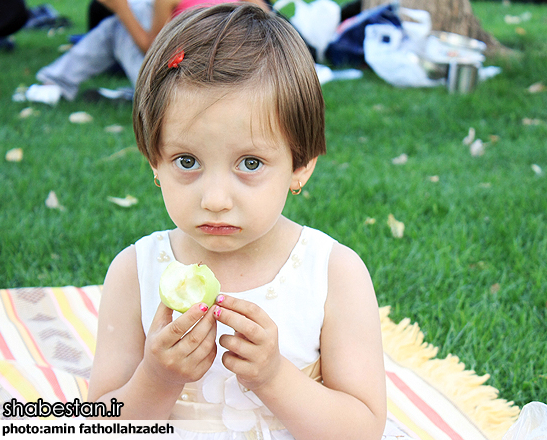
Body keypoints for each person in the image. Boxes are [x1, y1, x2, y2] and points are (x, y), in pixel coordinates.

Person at [87, 4, 392, 439]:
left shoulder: (333, 274)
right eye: (187, 160)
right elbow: (95, 424)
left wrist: (274, 378)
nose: (214, 200)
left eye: (250, 163)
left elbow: (362, 430)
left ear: (300, 164)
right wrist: (156, 378)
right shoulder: (133, 273)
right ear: (154, 160)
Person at [34, 0, 269, 101]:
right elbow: (268, 23)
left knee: (116, 28)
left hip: (181, 88)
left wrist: (120, 8)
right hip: (241, 80)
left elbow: (153, 49)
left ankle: (54, 83)